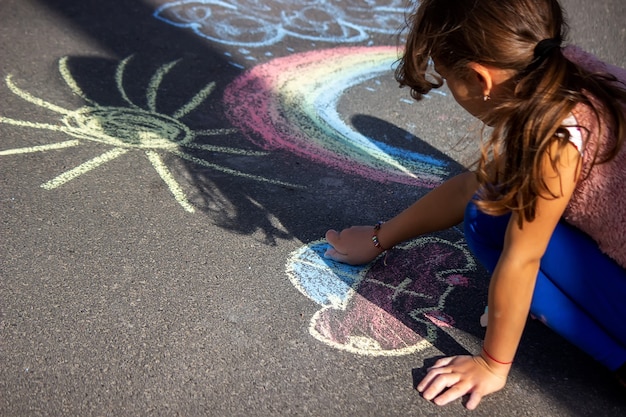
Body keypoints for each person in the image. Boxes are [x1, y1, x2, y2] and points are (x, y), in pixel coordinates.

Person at [324, 0, 626, 410]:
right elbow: (475, 183)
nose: (451, 91)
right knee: (497, 200)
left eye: (449, 79)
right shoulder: (565, 72)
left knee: (492, 221)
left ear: (480, 78)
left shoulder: (554, 142)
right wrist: (380, 238)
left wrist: (492, 364)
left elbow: (521, 259)